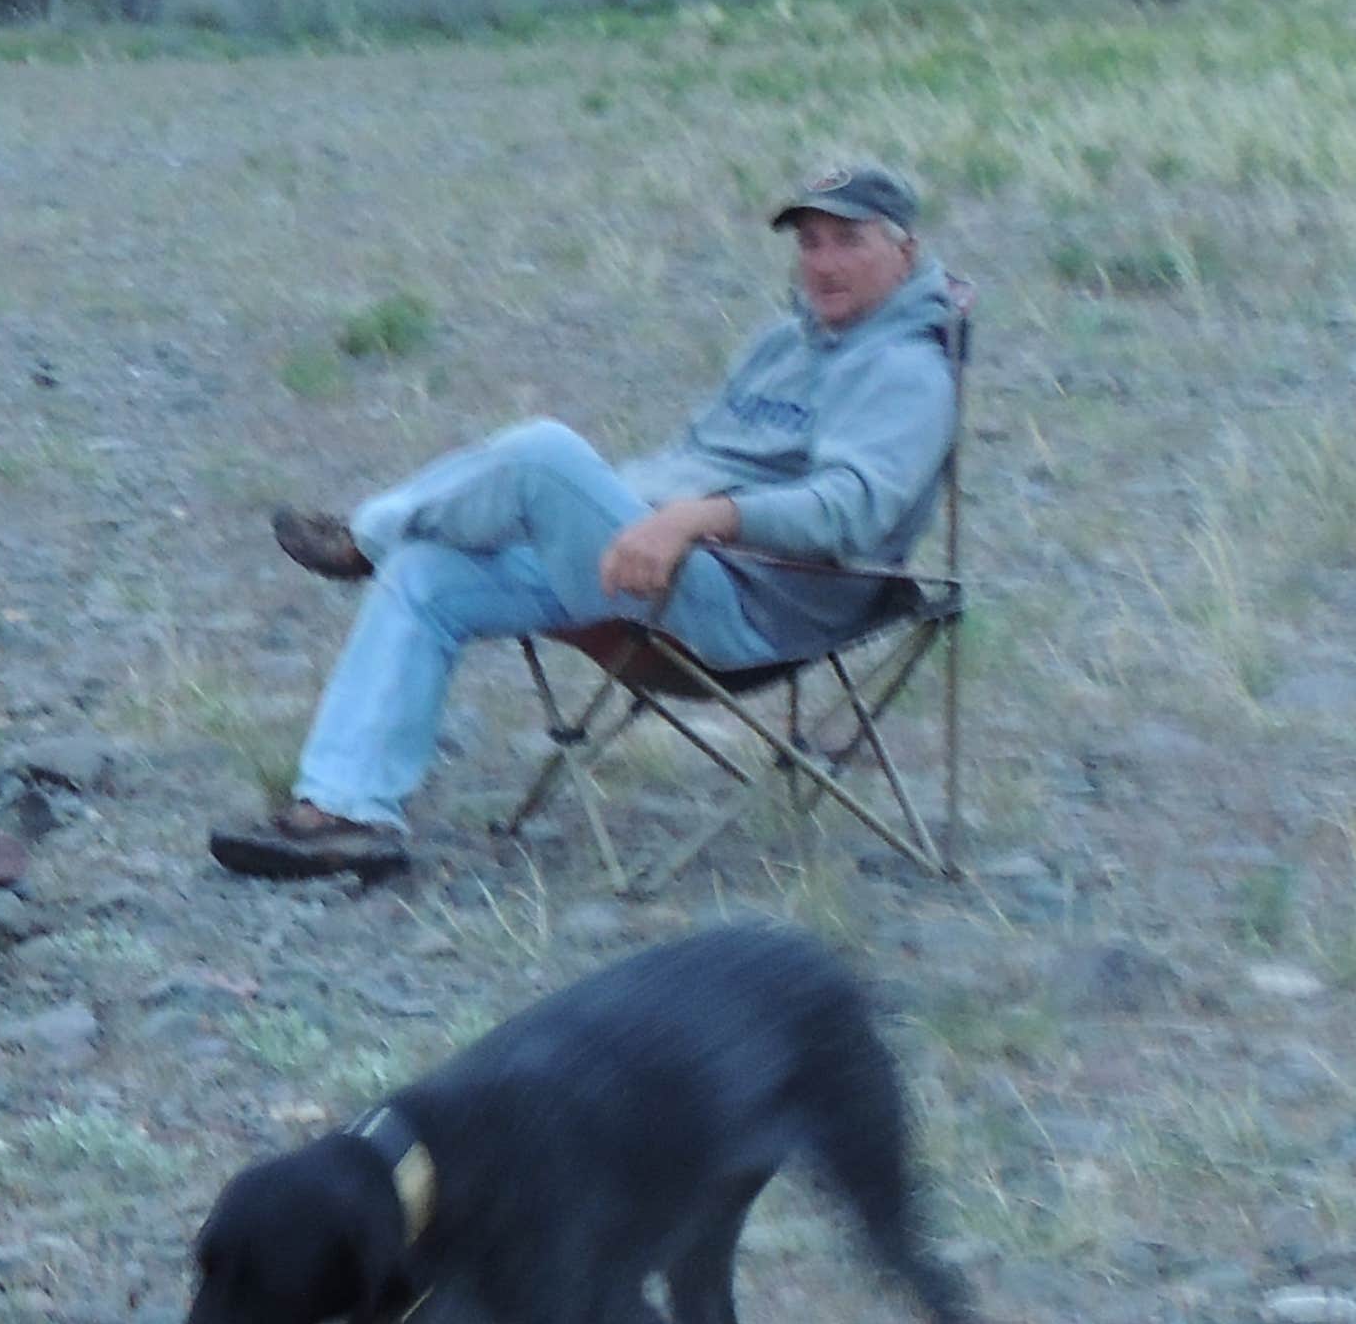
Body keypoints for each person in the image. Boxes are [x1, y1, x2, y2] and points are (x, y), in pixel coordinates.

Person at [216, 159, 959, 883]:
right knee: (427, 573)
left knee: (542, 455)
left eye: (849, 240)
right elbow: (692, 454)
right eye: (810, 241)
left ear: (905, 250)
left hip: (757, 601)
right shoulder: (782, 345)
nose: (823, 262)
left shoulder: (904, 371)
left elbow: (853, 512)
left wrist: (696, 519)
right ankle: (347, 813)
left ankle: (364, 538)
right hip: (651, 564)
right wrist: (639, 512)